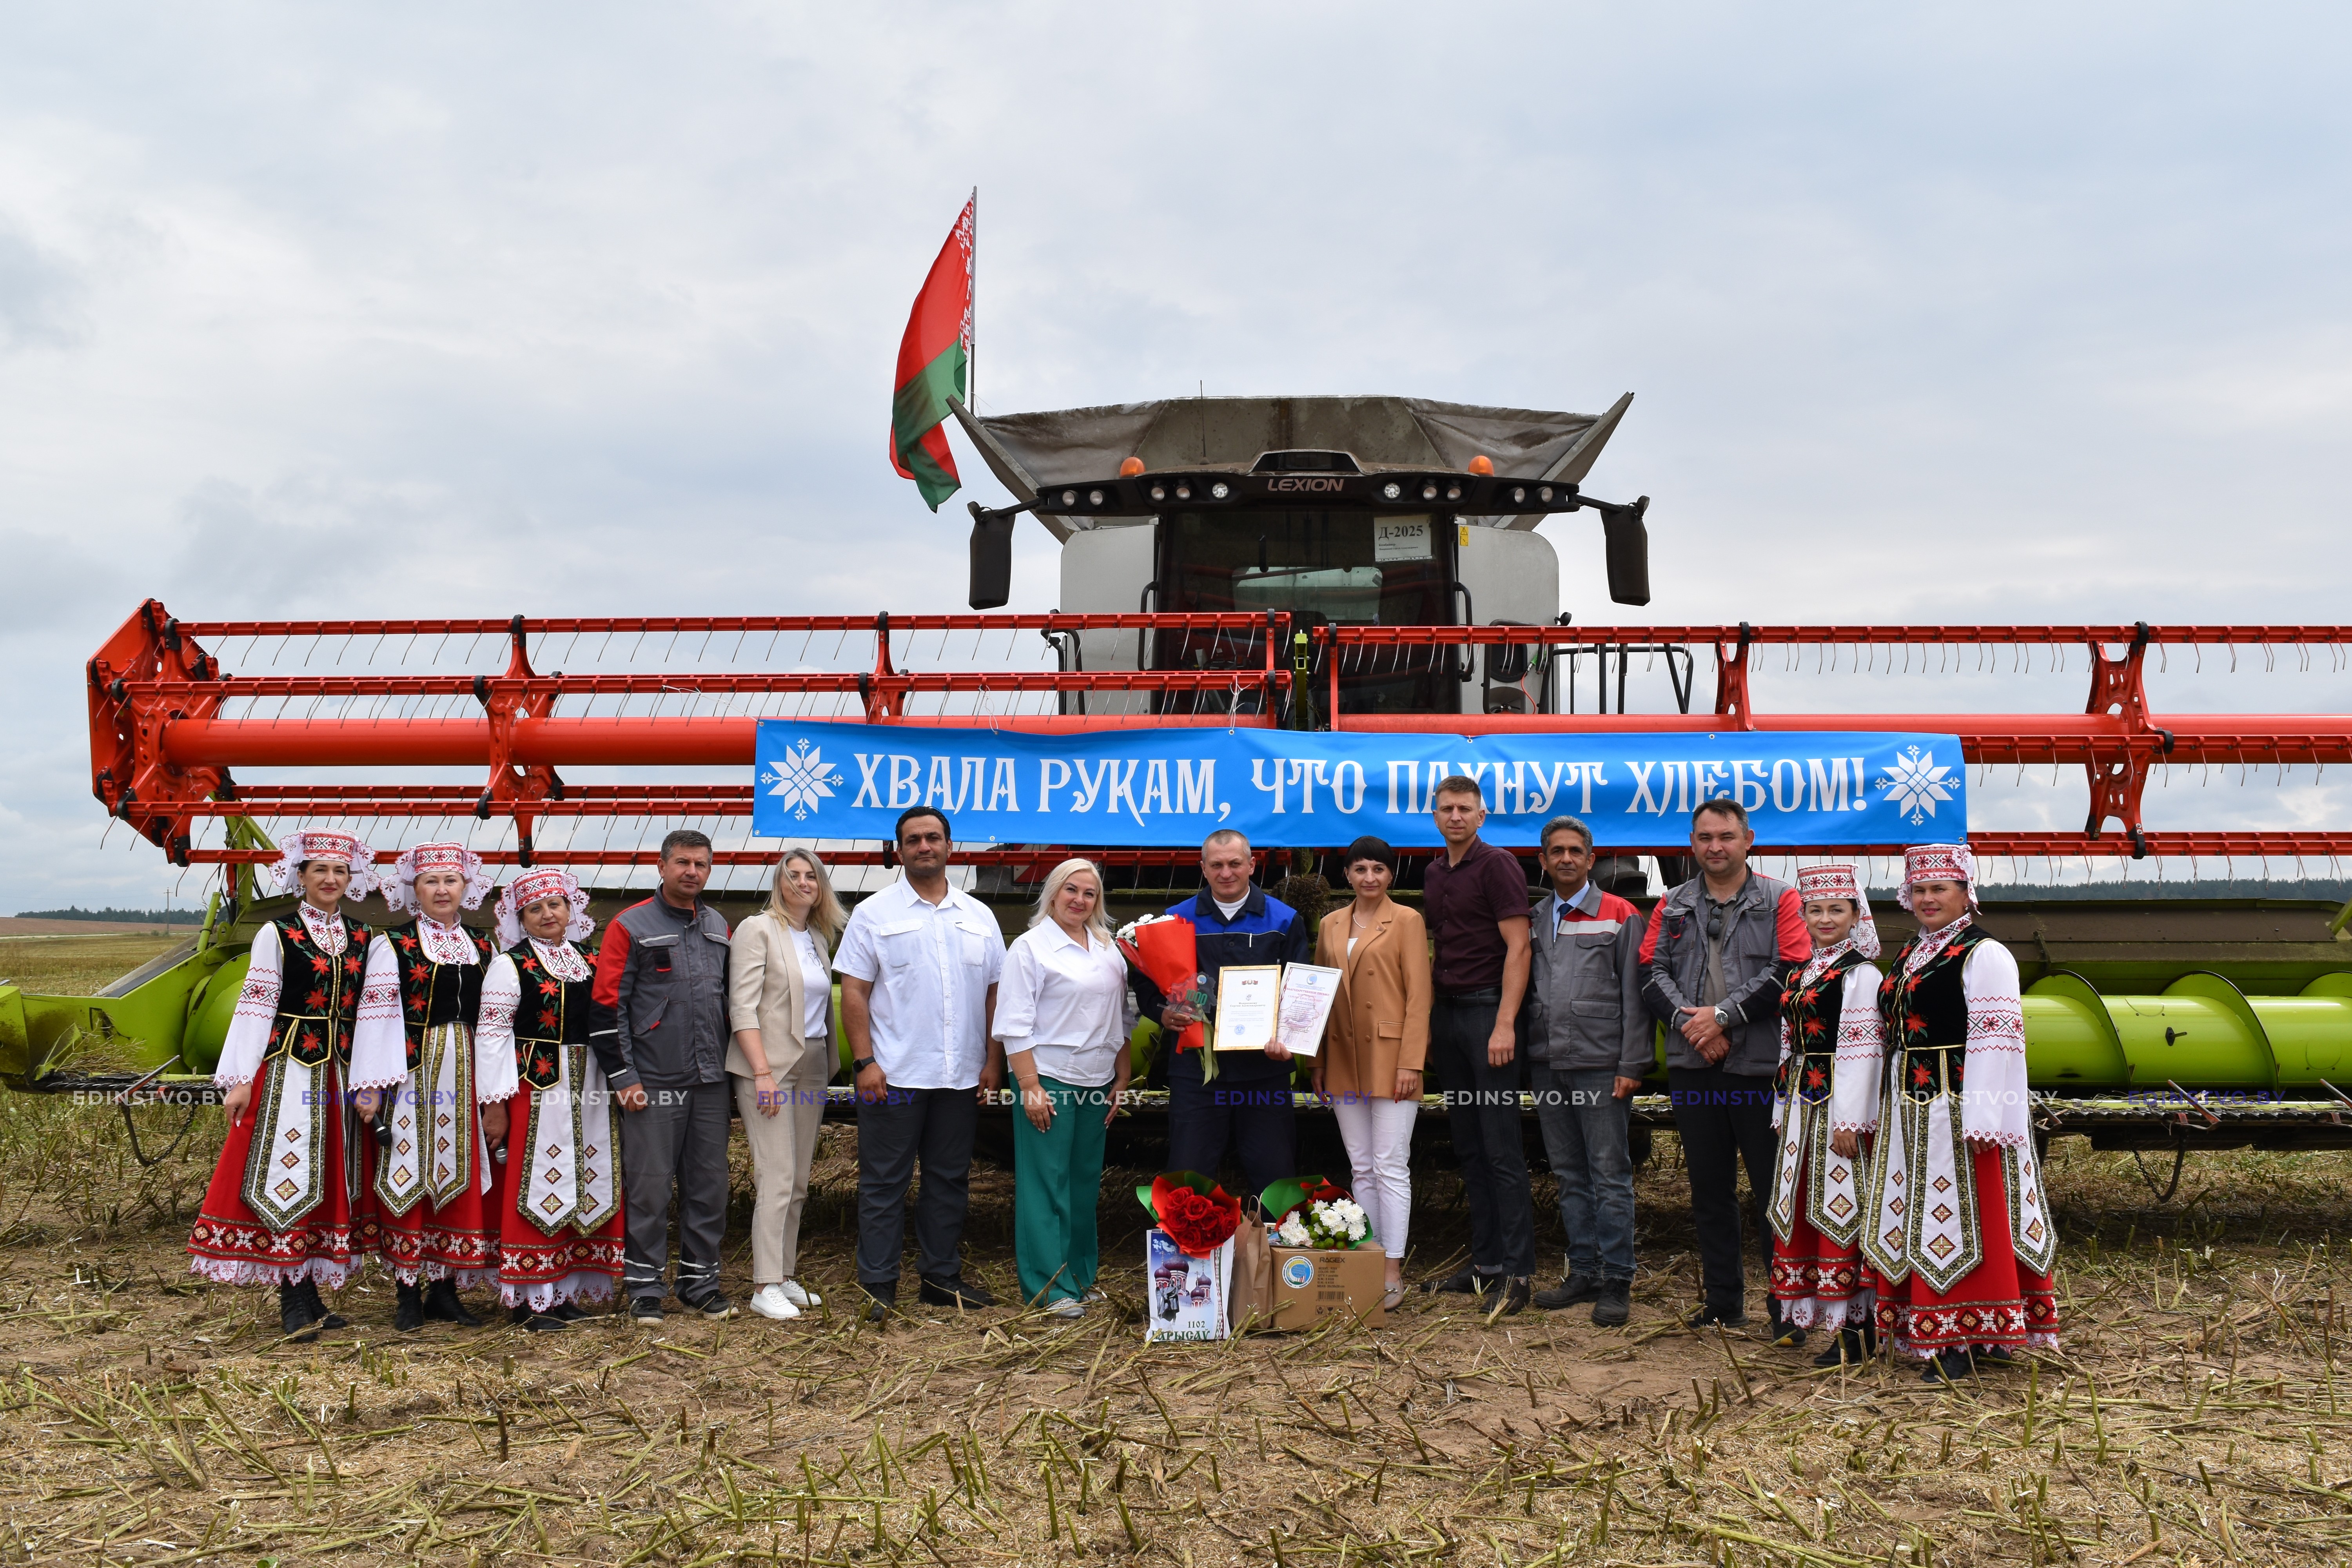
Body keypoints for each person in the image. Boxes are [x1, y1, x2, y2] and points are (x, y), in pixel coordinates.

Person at [1862, 844, 2058, 1382]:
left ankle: (1967, 1337)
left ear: (1965, 893)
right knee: (1926, 1211)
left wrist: (1986, 1118)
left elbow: (1998, 1040)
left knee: (1963, 1215)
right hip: (1912, 1108)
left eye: (1939, 889)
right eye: (1920, 890)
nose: (1928, 899)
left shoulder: (1984, 954)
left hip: (1960, 1107)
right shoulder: (1914, 952)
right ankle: (1950, 1328)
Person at [187, 831, 381, 1342]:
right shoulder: (278, 934)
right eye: (320, 870)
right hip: (289, 1069)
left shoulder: (365, 937)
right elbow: (256, 1007)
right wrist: (239, 1080)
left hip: (340, 1073)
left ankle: (310, 1291)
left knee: (327, 1178)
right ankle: (291, 1296)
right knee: (288, 1174)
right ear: (301, 876)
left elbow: (374, 1013)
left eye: (339, 871)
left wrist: (369, 1079)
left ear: (350, 878)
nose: (330, 879)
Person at [1638, 798, 1810, 1333]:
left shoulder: (1781, 898)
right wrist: (1693, 1026)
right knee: (1709, 1189)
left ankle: (1786, 1310)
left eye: (1726, 836)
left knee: (1772, 1192)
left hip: (1758, 1069)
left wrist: (1723, 1017)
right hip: (1694, 1066)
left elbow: (1792, 969)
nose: (1715, 847)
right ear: (1693, 844)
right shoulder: (1672, 904)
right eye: (1705, 837)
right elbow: (1649, 972)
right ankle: (1723, 1301)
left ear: (1748, 840)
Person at [835, 807, 1006, 1320]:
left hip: (961, 1077)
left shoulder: (979, 916)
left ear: (951, 846)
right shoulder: (874, 914)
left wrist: (992, 1061)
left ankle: (940, 1278)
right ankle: (878, 1284)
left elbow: (995, 993)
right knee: (884, 1184)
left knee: (949, 1181)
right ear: (900, 851)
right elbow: (854, 992)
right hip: (894, 1077)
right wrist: (864, 1061)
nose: (924, 846)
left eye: (933, 837)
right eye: (913, 840)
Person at [352, 842, 505, 1332]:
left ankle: (445, 1290)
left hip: (467, 1073)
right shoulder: (393, 943)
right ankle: (406, 1291)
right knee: (408, 1173)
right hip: (411, 1073)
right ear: (414, 889)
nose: (442, 890)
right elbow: (375, 1016)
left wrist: (495, 1090)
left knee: (456, 1172)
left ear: (466, 887)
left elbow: (496, 1020)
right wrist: (370, 1085)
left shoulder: (484, 946)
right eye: (431, 881)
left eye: (450, 881)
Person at [591, 829, 738, 1324]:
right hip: (652, 1081)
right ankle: (645, 1287)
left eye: (701, 864)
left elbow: (730, 1003)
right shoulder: (629, 925)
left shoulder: (718, 925)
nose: (691, 871)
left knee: (709, 1185)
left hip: (710, 1080)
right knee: (650, 1188)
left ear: (710, 870)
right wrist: (624, 1076)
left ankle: (700, 1282)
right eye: (682, 862)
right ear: (662, 866)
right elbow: (608, 1007)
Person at [477, 869, 626, 1331]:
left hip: (591, 1085)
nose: (547, 914)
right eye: (535, 909)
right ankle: (528, 1298)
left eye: (555, 905)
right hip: (536, 1088)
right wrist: (494, 1103)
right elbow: (492, 1036)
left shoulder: (591, 959)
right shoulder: (511, 964)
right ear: (520, 918)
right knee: (540, 1183)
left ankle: (562, 1291)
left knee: (584, 1179)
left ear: (570, 909)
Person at [1127, 829, 1312, 1199]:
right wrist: (1163, 1014)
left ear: (1252, 865)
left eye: (1235, 864)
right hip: (1196, 1071)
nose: (1226, 873)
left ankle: (1274, 1238)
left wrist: (1289, 1039)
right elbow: (1145, 983)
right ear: (1203, 868)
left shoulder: (1285, 920)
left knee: (1275, 1173)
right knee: (1189, 1173)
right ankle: (1188, 1239)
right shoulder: (1173, 921)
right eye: (1216, 865)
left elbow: (1300, 993)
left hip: (1265, 1071)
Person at [1524, 815, 1650, 1327]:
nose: (1566, 859)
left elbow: (1636, 997)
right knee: (1569, 1174)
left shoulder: (1620, 914)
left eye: (1576, 851)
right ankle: (1583, 1271)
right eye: (1557, 851)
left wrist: (1632, 1063)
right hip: (1548, 1063)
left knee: (1610, 1175)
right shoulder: (1535, 918)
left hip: (1602, 1066)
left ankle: (1617, 1278)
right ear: (1543, 860)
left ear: (1592, 859)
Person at [1419, 776, 1536, 1314]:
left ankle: (1519, 1272)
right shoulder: (1434, 872)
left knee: (1501, 1147)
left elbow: (1519, 948)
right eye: (1447, 808)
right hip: (1448, 1016)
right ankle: (1487, 1265)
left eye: (1465, 808)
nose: (1456, 816)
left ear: (1481, 816)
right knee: (1468, 1145)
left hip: (1488, 1013)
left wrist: (1505, 1023)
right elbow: (1440, 948)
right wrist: (1430, 1027)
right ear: (1435, 815)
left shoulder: (1498, 865)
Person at [996, 858, 1132, 1317]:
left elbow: (1122, 1016)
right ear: (1053, 893)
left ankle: (1079, 1277)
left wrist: (1123, 1075)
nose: (1080, 899)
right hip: (1048, 1075)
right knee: (1046, 1183)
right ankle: (1048, 1288)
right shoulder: (1030, 948)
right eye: (1071, 889)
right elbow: (1014, 1023)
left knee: (1083, 1182)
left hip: (1097, 1078)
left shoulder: (1108, 947)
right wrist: (1029, 1085)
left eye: (1090, 893)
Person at [1766, 864, 1884, 1365]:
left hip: (1838, 1108)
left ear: (1857, 915)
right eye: (1815, 910)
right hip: (1802, 1104)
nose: (1826, 918)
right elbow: (1787, 1045)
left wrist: (1850, 1121)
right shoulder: (1799, 973)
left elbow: (1865, 1050)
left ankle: (1857, 1331)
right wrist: (1781, 1108)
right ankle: (1828, 1324)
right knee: (1807, 1206)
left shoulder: (1861, 974)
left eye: (1837, 909)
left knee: (1844, 1207)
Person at [1310, 836, 1429, 1311]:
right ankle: (1369, 1258)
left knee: (1390, 1165)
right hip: (1342, 1056)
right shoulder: (1329, 924)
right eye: (1360, 869)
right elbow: (1316, 996)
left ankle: (1392, 1268)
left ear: (1391, 875)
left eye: (1379, 869)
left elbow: (1420, 996)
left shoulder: (1408, 920)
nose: (1370, 877)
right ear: (1347, 874)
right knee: (1361, 1166)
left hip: (1391, 1056)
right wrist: (1316, 1060)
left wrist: (1411, 1061)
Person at [728, 849, 845, 1322]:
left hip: (812, 1061)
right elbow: (742, 1006)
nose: (802, 882)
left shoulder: (816, 936)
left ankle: (785, 1272)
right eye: (792, 875)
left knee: (797, 1180)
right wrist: (762, 1073)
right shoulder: (757, 929)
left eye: (810, 876)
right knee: (775, 1176)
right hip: (770, 1067)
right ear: (779, 883)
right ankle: (764, 1284)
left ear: (821, 886)